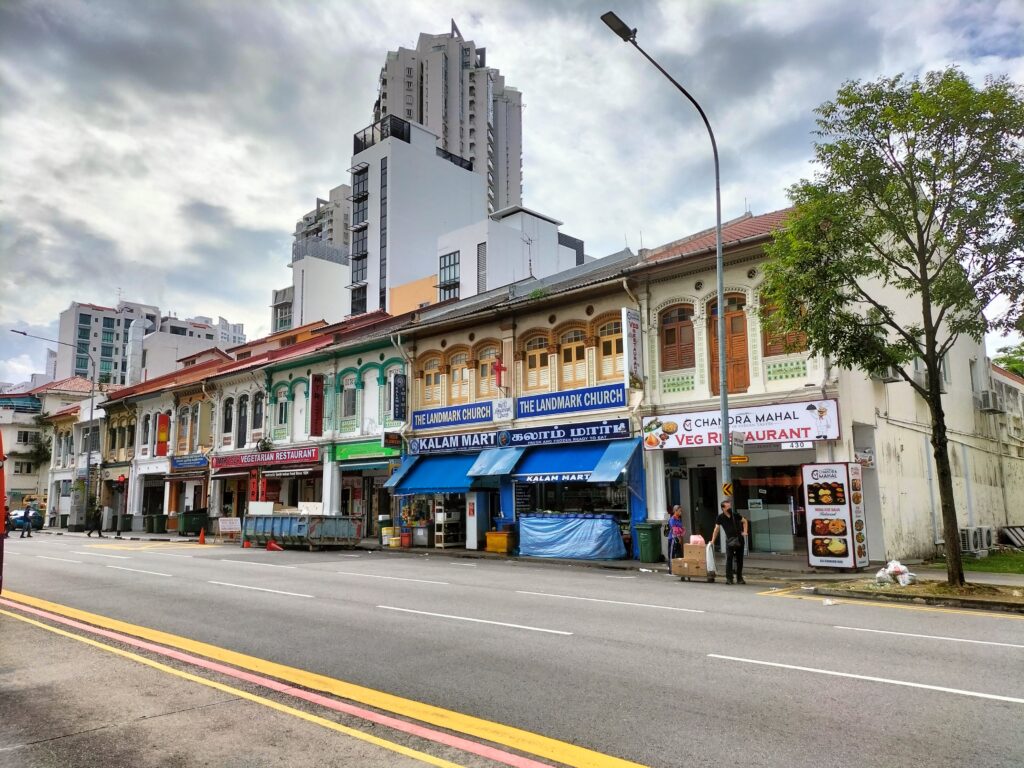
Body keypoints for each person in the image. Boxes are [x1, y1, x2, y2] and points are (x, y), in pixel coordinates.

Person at [710, 499, 748, 584]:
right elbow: (716, 529)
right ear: (723, 508)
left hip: (739, 539)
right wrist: (713, 540)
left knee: (740, 560)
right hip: (730, 541)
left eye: (730, 506)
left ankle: (739, 578)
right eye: (728, 507)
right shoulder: (720, 517)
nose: (730, 508)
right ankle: (729, 578)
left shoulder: (735, 515)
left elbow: (744, 521)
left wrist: (745, 532)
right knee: (729, 559)